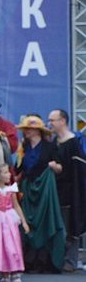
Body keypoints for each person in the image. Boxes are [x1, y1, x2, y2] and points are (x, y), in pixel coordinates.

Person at [16, 115, 66, 272]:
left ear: (37, 131)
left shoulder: (49, 147)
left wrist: (54, 166)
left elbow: (60, 167)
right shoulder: (23, 146)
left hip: (44, 190)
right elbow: (19, 169)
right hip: (28, 189)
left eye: (29, 129)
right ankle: (29, 260)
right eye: (25, 129)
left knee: (44, 222)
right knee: (28, 223)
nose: (26, 132)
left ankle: (44, 260)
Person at [48, 109, 86, 272]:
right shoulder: (53, 142)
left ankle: (70, 260)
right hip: (56, 190)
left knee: (71, 224)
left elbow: (77, 169)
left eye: (53, 120)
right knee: (59, 224)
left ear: (62, 121)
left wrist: (60, 169)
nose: (50, 123)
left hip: (70, 191)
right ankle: (56, 258)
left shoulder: (73, 142)